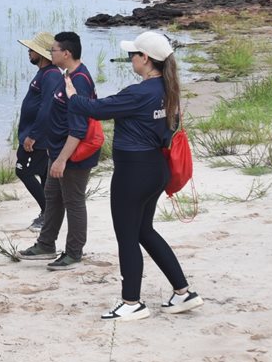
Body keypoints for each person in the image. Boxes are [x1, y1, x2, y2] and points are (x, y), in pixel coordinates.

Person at [65, 31, 204, 321]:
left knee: (127, 236)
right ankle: (183, 292)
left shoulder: (140, 93)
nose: (131, 59)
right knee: (144, 231)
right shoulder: (168, 89)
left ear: (146, 59)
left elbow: (97, 109)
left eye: (133, 55)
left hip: (133, 172)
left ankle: (132, 302)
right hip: (156, 170)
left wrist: (72, 96)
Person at [19, 31, 100, 270]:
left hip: (73, 153)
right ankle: (46, 244)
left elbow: (79, 126)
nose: (50, 53)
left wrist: (62, 159)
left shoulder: (80, 80)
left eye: (53, 49)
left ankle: (74, 253)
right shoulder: (67, 75)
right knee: (52, 196)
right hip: (58, 150)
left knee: (73, 201)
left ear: (66, 53)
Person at [16, 32, 61, 231]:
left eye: (32, 49)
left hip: (38, 137)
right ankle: (48, 213)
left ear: (41, 54)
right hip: (38, 136)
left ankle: (47, 212)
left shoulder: (51, 74)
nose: (29, 52)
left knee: (22, 170)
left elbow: (47, 107)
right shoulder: (44, 73)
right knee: (43, 174)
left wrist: (33, 135)